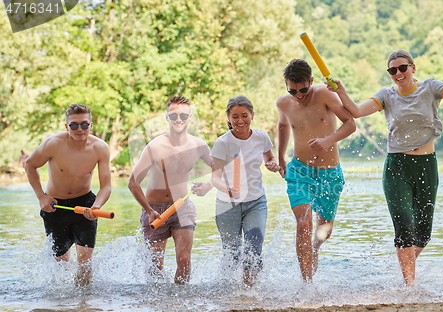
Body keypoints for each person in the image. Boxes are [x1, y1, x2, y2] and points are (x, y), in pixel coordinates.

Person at [327, 50, 443, 285]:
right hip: (397, 166)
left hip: (427, 165)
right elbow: (356, 111)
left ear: (412, 67)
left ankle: (400, 264)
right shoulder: (386, 96)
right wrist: (341, 92)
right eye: (392, 70)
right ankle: (410, 287)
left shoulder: (430, 88)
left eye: (402, 68)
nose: (398, 73)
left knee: (423, 234)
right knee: (404, 224)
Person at [276, 59, 356, 282]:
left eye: (303, 89)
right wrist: (281, 156)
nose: (299, 95)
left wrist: (328, 140)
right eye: (293, 90)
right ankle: (307, 285)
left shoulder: (323, 94)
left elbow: (350, 123)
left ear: (311, 81)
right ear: (286, 84)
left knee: (324, 230)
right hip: (299, 170)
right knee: (303, 223)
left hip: (330, 173)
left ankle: (314, 249)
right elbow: (283, 125)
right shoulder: (283, 103)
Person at [128, 96, 212, 284]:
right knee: (155, 266)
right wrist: (149, 211)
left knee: (184, 258)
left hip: (182, 206)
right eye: (174, 116)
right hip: (154, 210)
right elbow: (133, 183)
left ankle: (179, 302)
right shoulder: (155, 146)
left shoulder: (198, 145)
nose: (179, 119)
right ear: (167, 118)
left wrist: (209, 185)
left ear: (190, 117)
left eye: (183, 115)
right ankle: (159, 306)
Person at [25, 104, 112, 285]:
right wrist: (41, 196)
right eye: (74, 125)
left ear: (91, 125)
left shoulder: (100, 148)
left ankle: (82, 308)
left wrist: (96, 206)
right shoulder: (53, 144)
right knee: (62, 263)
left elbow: (106, 186)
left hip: (85, 205)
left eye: (84, 124)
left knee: (85, 262)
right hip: (55, 206)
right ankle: (67, 309)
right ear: (66, 126)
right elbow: (29, 164)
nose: (79, 129)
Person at [211, 96, 280, 287]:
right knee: (232, 252)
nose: (240, 121)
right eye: (235, 117)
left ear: (252, 115)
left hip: (256, 201)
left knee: (254, 247)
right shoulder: (222, 143)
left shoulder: (261, 137)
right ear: (228, 118)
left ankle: (249, 292)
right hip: (227, 204)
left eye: (244, 115)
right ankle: (226, 288)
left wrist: (272, 165)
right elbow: (214, 178)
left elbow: (269, 160)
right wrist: (227, 188)